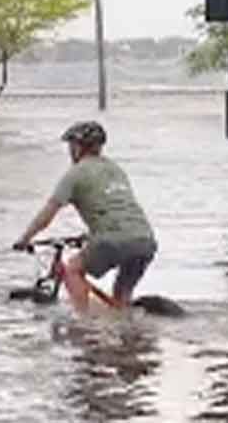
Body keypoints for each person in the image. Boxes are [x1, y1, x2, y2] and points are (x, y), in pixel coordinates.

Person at [12, 120, 158, 313]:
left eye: (71, 145)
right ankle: (126, 327)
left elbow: (46, 215)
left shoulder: (76, 174)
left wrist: (24, 239)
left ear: (78, 147)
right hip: (145, 239)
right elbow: (115, 208)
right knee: (121, 299)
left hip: (112, 239)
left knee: (72, 270)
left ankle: (83, 323)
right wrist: (90, 235)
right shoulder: (115, 169)